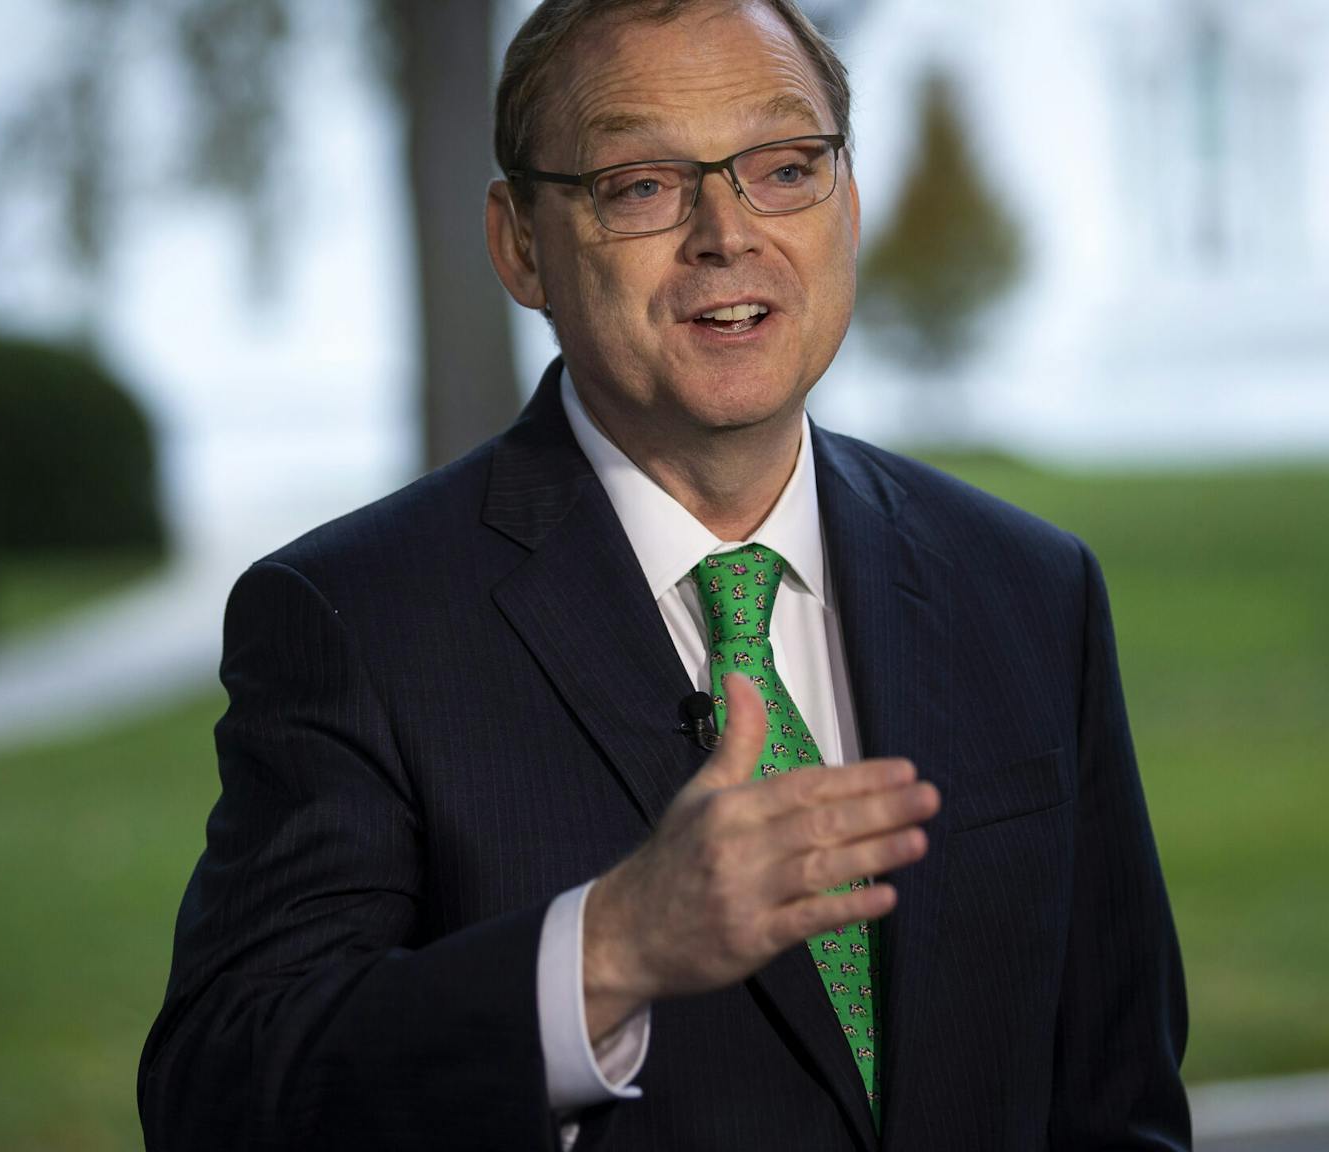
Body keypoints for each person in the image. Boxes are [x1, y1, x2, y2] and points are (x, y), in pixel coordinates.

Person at [138, 0, 1188, 1148]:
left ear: (846, 200)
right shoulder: (355, 620)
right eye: (641, 184)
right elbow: (224, 1094)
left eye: (784, 168)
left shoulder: (1029, 589)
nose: (725, 233)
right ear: (519, 245)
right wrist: (610, 950)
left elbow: (1118, 1102)